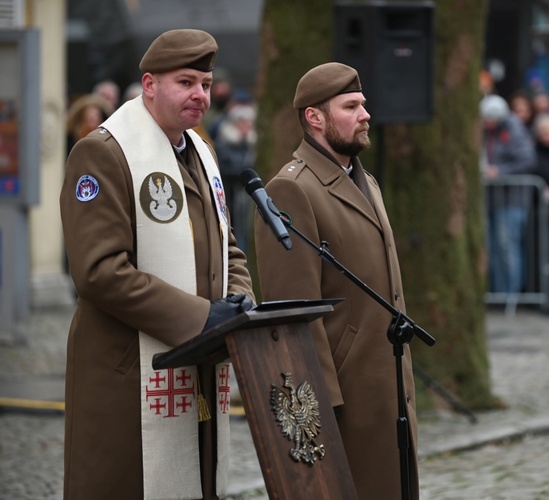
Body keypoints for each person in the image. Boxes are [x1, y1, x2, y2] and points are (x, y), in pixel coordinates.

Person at [60, 29, 255, 500]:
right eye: (185, 82)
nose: (200, 95)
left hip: (198, 368)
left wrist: (242, 305)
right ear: (149, 85)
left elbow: (229, 246)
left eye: (205, 84)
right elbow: (99, 271)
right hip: (128, 375)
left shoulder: (200, 153)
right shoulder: (103, 153)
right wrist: (202, 319)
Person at [253, 62, 419, 500]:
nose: (366, 114)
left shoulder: (367, 182)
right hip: (344, 402)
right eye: (351, 106)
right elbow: (294, 315)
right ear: (315, 118)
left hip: (388, 388)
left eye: (363, 104)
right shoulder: (291, 191)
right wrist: (320, 411)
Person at [480, 93, 537, 294]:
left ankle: (511, 295)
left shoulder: (514, 129)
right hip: (492, 198)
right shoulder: (488, 131)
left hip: (512, 199)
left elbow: (527, 161)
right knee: (493, 247)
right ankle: (498, 292)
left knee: (507, 246)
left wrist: (500, 171)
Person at [214, 102, 257, 252]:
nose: (246, 126)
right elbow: (227, 168)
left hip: (243, 197)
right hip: (230, 195)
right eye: (243, 122)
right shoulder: (225, 142)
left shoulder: (249, 143)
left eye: (248, 123)